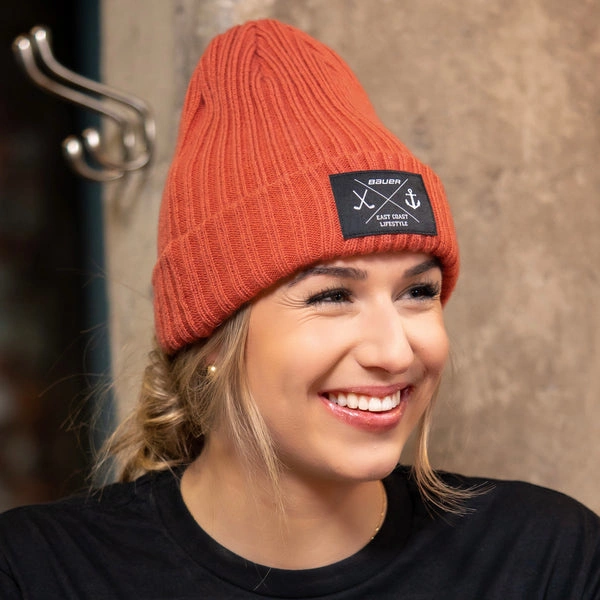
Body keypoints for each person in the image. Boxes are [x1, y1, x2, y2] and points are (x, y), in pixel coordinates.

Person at [0, 18, 599, 599]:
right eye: (333, 296)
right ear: (212, 338)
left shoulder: (547, 559)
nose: (395, 352)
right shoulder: (37, 572)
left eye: (418, 292)